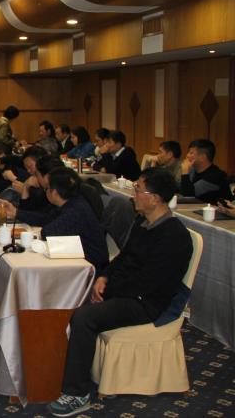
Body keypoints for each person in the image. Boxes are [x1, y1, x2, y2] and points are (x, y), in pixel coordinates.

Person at [46, 168, 192, 417]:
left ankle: (78, 393)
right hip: (129, 292)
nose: (133, 195)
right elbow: (124, 258)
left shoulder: (174, 236)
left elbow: (149, 283)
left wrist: (109, 289)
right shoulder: (143, 223)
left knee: (84, 317)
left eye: (138, 190)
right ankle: (61, 363)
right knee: (74, 294)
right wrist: (104, 277)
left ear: (155, 198)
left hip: (147, 302)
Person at [0, 167, 108, 274]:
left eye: (47, 188)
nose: (45, 192)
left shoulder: (76, 209)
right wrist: (16, 212)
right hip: (76, 258)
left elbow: (47, 233)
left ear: (54, 192)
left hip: (89, 266)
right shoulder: (70, 202)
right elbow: (45, 218)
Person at [179, 139, 232, 203]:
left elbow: (189, 196)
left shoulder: (215, 175)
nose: (187, 155)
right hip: (197, 207)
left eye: (191, 153)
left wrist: (185, 172)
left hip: (217, 209)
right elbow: (181, 191)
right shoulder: (193, 170)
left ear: (202, 157)